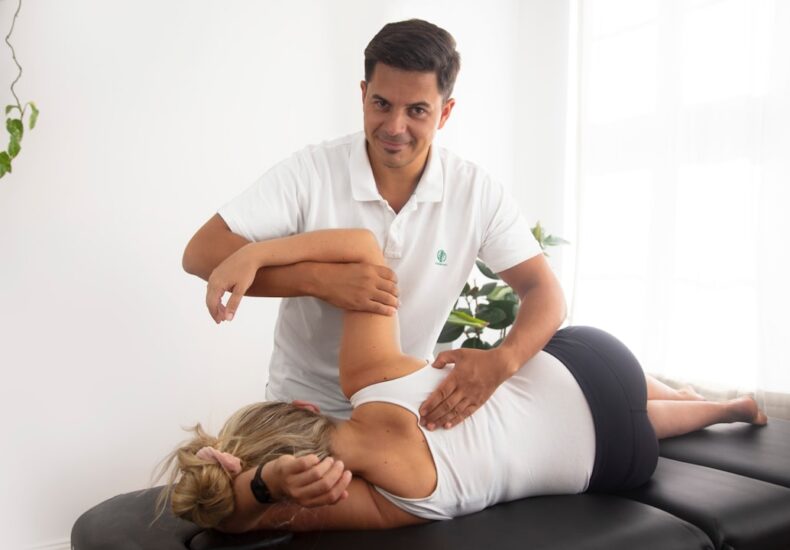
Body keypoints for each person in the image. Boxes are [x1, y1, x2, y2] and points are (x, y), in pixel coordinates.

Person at [158, 228, 768, 532]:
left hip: (619, 456)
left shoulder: (371, 501)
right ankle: (695, 397)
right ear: (302, 406)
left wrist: (263, 485)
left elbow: (230, 519)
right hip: (595, 359)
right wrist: (257, 253)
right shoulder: (369, 378)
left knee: (640, 422)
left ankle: (713, 409)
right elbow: (366, 247)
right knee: (593, 378)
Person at [181, 18, 566, 438]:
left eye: (417, 110)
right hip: (299, 409)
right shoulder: (312, 172)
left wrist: (502, 362)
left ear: (445, 113)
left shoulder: (475, 192)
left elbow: (544, 291)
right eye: (382, 104)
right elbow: (202, 251)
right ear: (363, 95)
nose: (395, 127)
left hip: (400, 405)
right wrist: (320, 279)